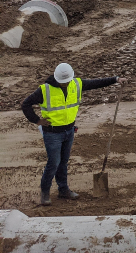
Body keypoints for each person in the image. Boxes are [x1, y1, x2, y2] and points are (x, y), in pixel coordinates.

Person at [21, 63, 127, 206]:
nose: (65, 84)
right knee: (53, 163)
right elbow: (25, 104)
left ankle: (63, 190)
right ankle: (45, 193)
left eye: (67, 82)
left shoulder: (76, 84)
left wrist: (115, 79)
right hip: (52, 133)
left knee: (63, 162)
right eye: (62, 82)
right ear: (56, 79)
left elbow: (96, 83)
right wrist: (37, 120)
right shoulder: (44, 90)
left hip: (69, 131)